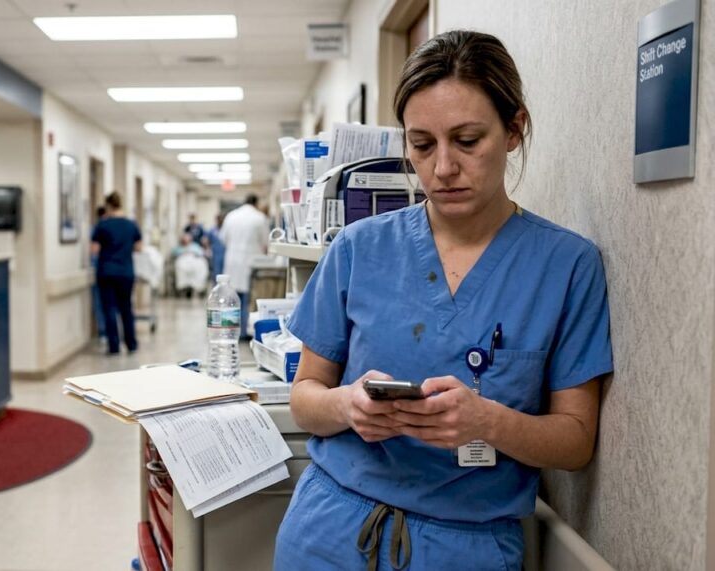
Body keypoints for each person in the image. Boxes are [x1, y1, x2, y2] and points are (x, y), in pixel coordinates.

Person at [274, 30, 613, 570]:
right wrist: (347, 405)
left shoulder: (566, 266)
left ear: (514, 130)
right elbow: (305, 397)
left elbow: (574, 442)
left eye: (468, 140)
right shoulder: (361, 247)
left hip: (466, 546)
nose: (443, 168)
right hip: (329, 530)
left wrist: (487, 422)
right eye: (423, 144)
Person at [91, 193, 142, 355]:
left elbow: (94, 250)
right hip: (126, 272)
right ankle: (131, 344)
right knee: (126, 308)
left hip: (106, 272)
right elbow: (139, 248)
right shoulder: (131, 225)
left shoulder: (102, 225)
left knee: (109, 309)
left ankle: (114, 346)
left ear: (108, 206)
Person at [219, 194, 268, 339]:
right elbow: (266, 242)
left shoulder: (231, 216)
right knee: (248, 300)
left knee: (231, 298)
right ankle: (244, 332)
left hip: (232, 260)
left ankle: (230, 330)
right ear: (256, 202)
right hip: (251, 261)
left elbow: (223, 238)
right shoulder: (260, 218)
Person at [90, 205, 108, 343]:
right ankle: (106, 332)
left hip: (103, 272)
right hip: (119, 272)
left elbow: (94, 251)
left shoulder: (97, 229)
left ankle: (104, 333)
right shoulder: (124, 226)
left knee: (103, 304)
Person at [205, 212, 226, 278]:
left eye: (221, 219)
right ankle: (216, 287)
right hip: (215, 254)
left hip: (225, 254)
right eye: (218, 219)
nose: (220, 220)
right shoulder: (212, 230)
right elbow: (207, 241)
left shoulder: (226, 229)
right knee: (216, 272)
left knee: (225, 272)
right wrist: (208, 249)